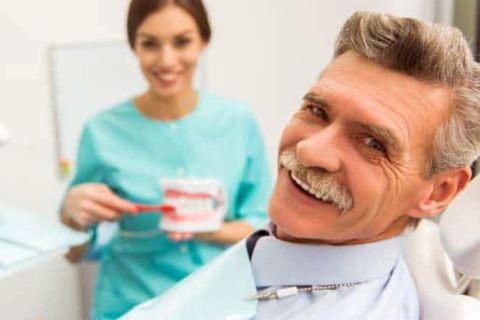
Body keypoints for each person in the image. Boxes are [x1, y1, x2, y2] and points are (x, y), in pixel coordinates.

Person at [120, 11, 480, 320]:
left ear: (439, 191)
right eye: (318, 111)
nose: (310, 151)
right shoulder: (288, 248)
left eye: (373, 143)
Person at [59, 0, 272, 318]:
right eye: (150, 44)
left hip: (218, 305)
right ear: (134, 46)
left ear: (203, 40)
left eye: (182, 41)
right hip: (128, 306)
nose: (166, 60)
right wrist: (71, 217)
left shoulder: (237, 122)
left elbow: (264, 230)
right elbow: (74, 253)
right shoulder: (101, 131)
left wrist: (202, 227)